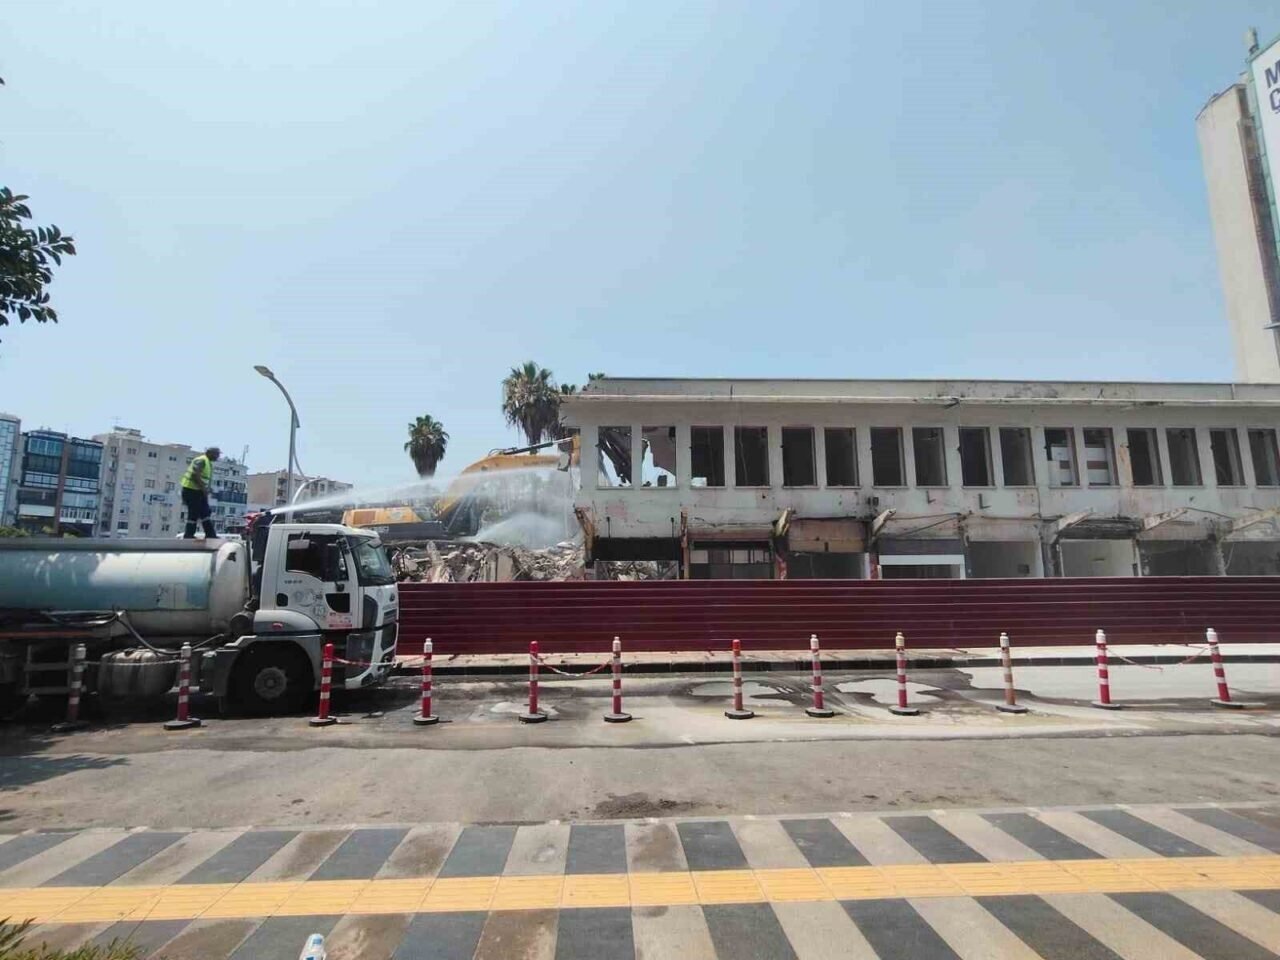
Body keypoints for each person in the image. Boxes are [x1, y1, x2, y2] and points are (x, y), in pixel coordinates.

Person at [181, 446, 221, 539]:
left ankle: (210, 534)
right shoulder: (202, 460)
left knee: (204, 512)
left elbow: (203, 478)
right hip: (191, 490)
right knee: (194, 513)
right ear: (210, 453)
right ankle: (189, 535)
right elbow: (195, 475)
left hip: (198, 491)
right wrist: (204, 488)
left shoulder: (207, 462)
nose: (218, 457)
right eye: (217, 454)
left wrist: (207, 489)